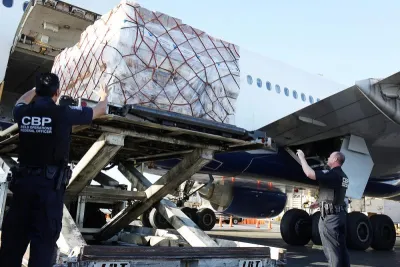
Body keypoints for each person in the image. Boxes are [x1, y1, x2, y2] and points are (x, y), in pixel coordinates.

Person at [0, 72, 109, 267]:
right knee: (43, 247)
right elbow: (100, 110)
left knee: (12, 245)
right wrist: (104, 94)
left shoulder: (23, 113)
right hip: (48, 191)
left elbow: (20, 101)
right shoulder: (63, 113)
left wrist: (36, 88)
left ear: (38, 91)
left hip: (22, 188)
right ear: (57, 92)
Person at [296, 150, 350, 267]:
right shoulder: (343, 176)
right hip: (339, 215)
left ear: (335, 160)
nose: (328, 158)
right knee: (341, 249)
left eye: (330, 156)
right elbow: (335, 194)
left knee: (332, 251)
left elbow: (310, 174)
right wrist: (318, 202)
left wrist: (302, 158)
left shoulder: (333, 174)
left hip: (330, 218)